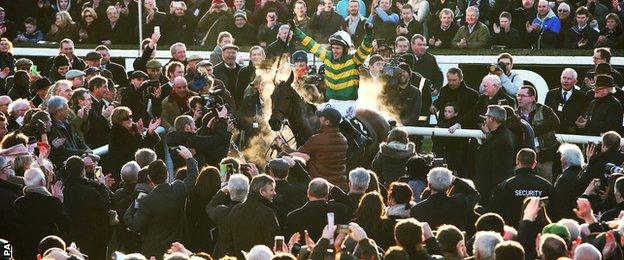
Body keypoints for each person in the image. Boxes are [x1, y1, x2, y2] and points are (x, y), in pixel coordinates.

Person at [289, 17, 373, 148]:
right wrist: (295, 29)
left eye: (338, 48)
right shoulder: (327, 57)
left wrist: (368, 35)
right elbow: (311, 44)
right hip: (332, 102)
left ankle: (358, 136)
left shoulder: (354, 60)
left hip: (348, 104)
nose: (334, 51)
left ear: (345, 49)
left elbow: (365, 49)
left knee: (334, 116)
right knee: (315, 115)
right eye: (333, 48)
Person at [123, 146, 197, 258]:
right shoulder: (177, 189)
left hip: (154, 251)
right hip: (177, 250)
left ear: (149, 178)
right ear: (167, 174)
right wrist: (189, 158)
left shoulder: (146, 201)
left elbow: (135, 225)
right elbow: (192, 177)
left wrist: (133, 205)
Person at [277, 107, 349, 189]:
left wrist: (282, 144)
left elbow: (296, 155)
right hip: (340, 188)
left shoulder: (317, 139)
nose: (318, 120)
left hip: (320, 187)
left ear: (327, 122)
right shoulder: (343, 139)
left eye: (321, 118)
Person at [13, 168, 70, 260]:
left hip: (26, 250)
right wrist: (59, 201)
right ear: (43, 182)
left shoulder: (18, 203)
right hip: (48, 250)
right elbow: (66, 225)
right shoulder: (52, 202)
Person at [489, 148, 555, 227]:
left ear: (517, 162)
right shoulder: (546, 186)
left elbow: (494, 212)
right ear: (534, 164)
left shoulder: (505, 186)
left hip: (511, 234)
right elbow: (555, 212)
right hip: (538, 235)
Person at [62, 156, 111, 260]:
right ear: (83, 170)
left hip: (74, 235)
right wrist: (103, 186)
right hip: (93, 236)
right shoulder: (90, 191)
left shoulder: (64, 189)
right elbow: (105, 204)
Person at [227, 174, 280, 259]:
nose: (274, 193)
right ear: (261, 192)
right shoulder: (267, 213)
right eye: (272, 190)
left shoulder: (235, 210)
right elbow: (272, 242)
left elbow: (229, 241)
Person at [410, 167, 480, 230]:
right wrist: (454, 179)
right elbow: (474, 194)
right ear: (449, 185)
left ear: (429, 185)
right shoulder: (459, 202)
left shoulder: (417, 209)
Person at [473, 105, 516, 206]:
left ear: (492, 119)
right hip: (488, 188)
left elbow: (500, 170)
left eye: (487, 117)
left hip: (491, 192)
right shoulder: (499, 135)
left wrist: (494, 195)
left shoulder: (502, 140)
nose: (485, 119)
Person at [516, 85, 560, 181]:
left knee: (545, 181)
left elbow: (555, 122)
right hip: (525, 159)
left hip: (545, 155)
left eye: (523, 96)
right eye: (518, 95)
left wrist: (531, 132)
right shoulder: (516, 114)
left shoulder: (544, 109)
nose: (519, 98)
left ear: (532, 98)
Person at [108, 106, 161, 182]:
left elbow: (146, 147)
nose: (129, 119)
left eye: (130, 116)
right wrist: (139, 133)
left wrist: (150, 131)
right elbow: (135, 149)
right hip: (127, 171)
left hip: (138, 168)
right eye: (125, 118)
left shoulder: (133, 129)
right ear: (119, 120)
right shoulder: (116, 133)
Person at [166, 110, 232, 168]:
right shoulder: (191, 140)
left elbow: (202, 142)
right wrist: (223, 121)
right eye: (193, 124)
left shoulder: (176, 140)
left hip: (181, 175)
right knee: (228, 163)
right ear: (187, 127)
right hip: (195, 177)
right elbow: (218, 141)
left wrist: (206, 129)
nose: (195, 127)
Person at [207, 174, 250, 258]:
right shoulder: (252, 212)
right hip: (244, 254)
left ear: (229, 190)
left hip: (223, 254)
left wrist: (222, 191)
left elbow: (210, 206)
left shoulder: (222, 212)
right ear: (247, 191)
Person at [544, 68, 588, 134]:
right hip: (554, 134)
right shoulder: (551, 94)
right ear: (560, 79)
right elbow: (545, 115)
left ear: (575, 82)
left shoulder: (581, 97)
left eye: (569, 79)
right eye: (564, 78)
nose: (566, 81)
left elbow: (583, 117)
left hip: (573, 136)